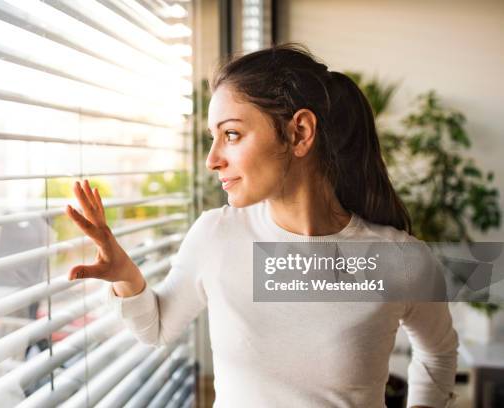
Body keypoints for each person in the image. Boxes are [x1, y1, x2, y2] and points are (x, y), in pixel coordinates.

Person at [66, 44, 458, 408]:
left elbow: (438, 353)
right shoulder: (215, 236)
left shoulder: (401, 260)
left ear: (299, 132)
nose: (212, 159)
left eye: (231, 134)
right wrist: (125, 275)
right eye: (212, 137)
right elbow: (157, 328)